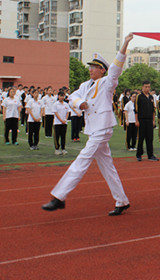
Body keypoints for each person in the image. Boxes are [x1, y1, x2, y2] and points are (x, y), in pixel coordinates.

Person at [42, 33, 133, 216]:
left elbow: (116, 68)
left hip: (102, 127)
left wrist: (124, 44)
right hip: (93, 129)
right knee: (108, 167)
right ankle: (122, 200)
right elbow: (72, 96)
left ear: (102, 70)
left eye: (95, 67)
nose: (91, 69)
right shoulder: (85, 85)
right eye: (90, 66)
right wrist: (79, 103)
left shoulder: (107, 82)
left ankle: (59, 197)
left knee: (82, 159)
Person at [135, 81, 158, 161]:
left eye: (148, 87)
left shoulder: (151, 97)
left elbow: (153, 110)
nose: (147, 88)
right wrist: (137, 120)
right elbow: (136, 110)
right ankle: (139, 155)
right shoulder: (139, 97)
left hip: (149, 120)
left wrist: (153, 120)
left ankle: (150, 155)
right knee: (141, 138)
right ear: (142, 87)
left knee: (150, 138)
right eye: (146, 87)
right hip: (142, 120)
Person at [53, 91, 70, 155]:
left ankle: (63, 148)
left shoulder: (66, 104)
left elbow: (68, 112)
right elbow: (56, 113)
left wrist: (65, 119)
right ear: (58, 96)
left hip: (64, 123)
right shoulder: (55, 104)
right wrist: (61, 120)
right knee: (57, 136)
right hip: (57, 123)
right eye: (61, 96)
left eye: (63, 96)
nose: (62, 97)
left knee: (63, 136)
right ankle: (57, 149)